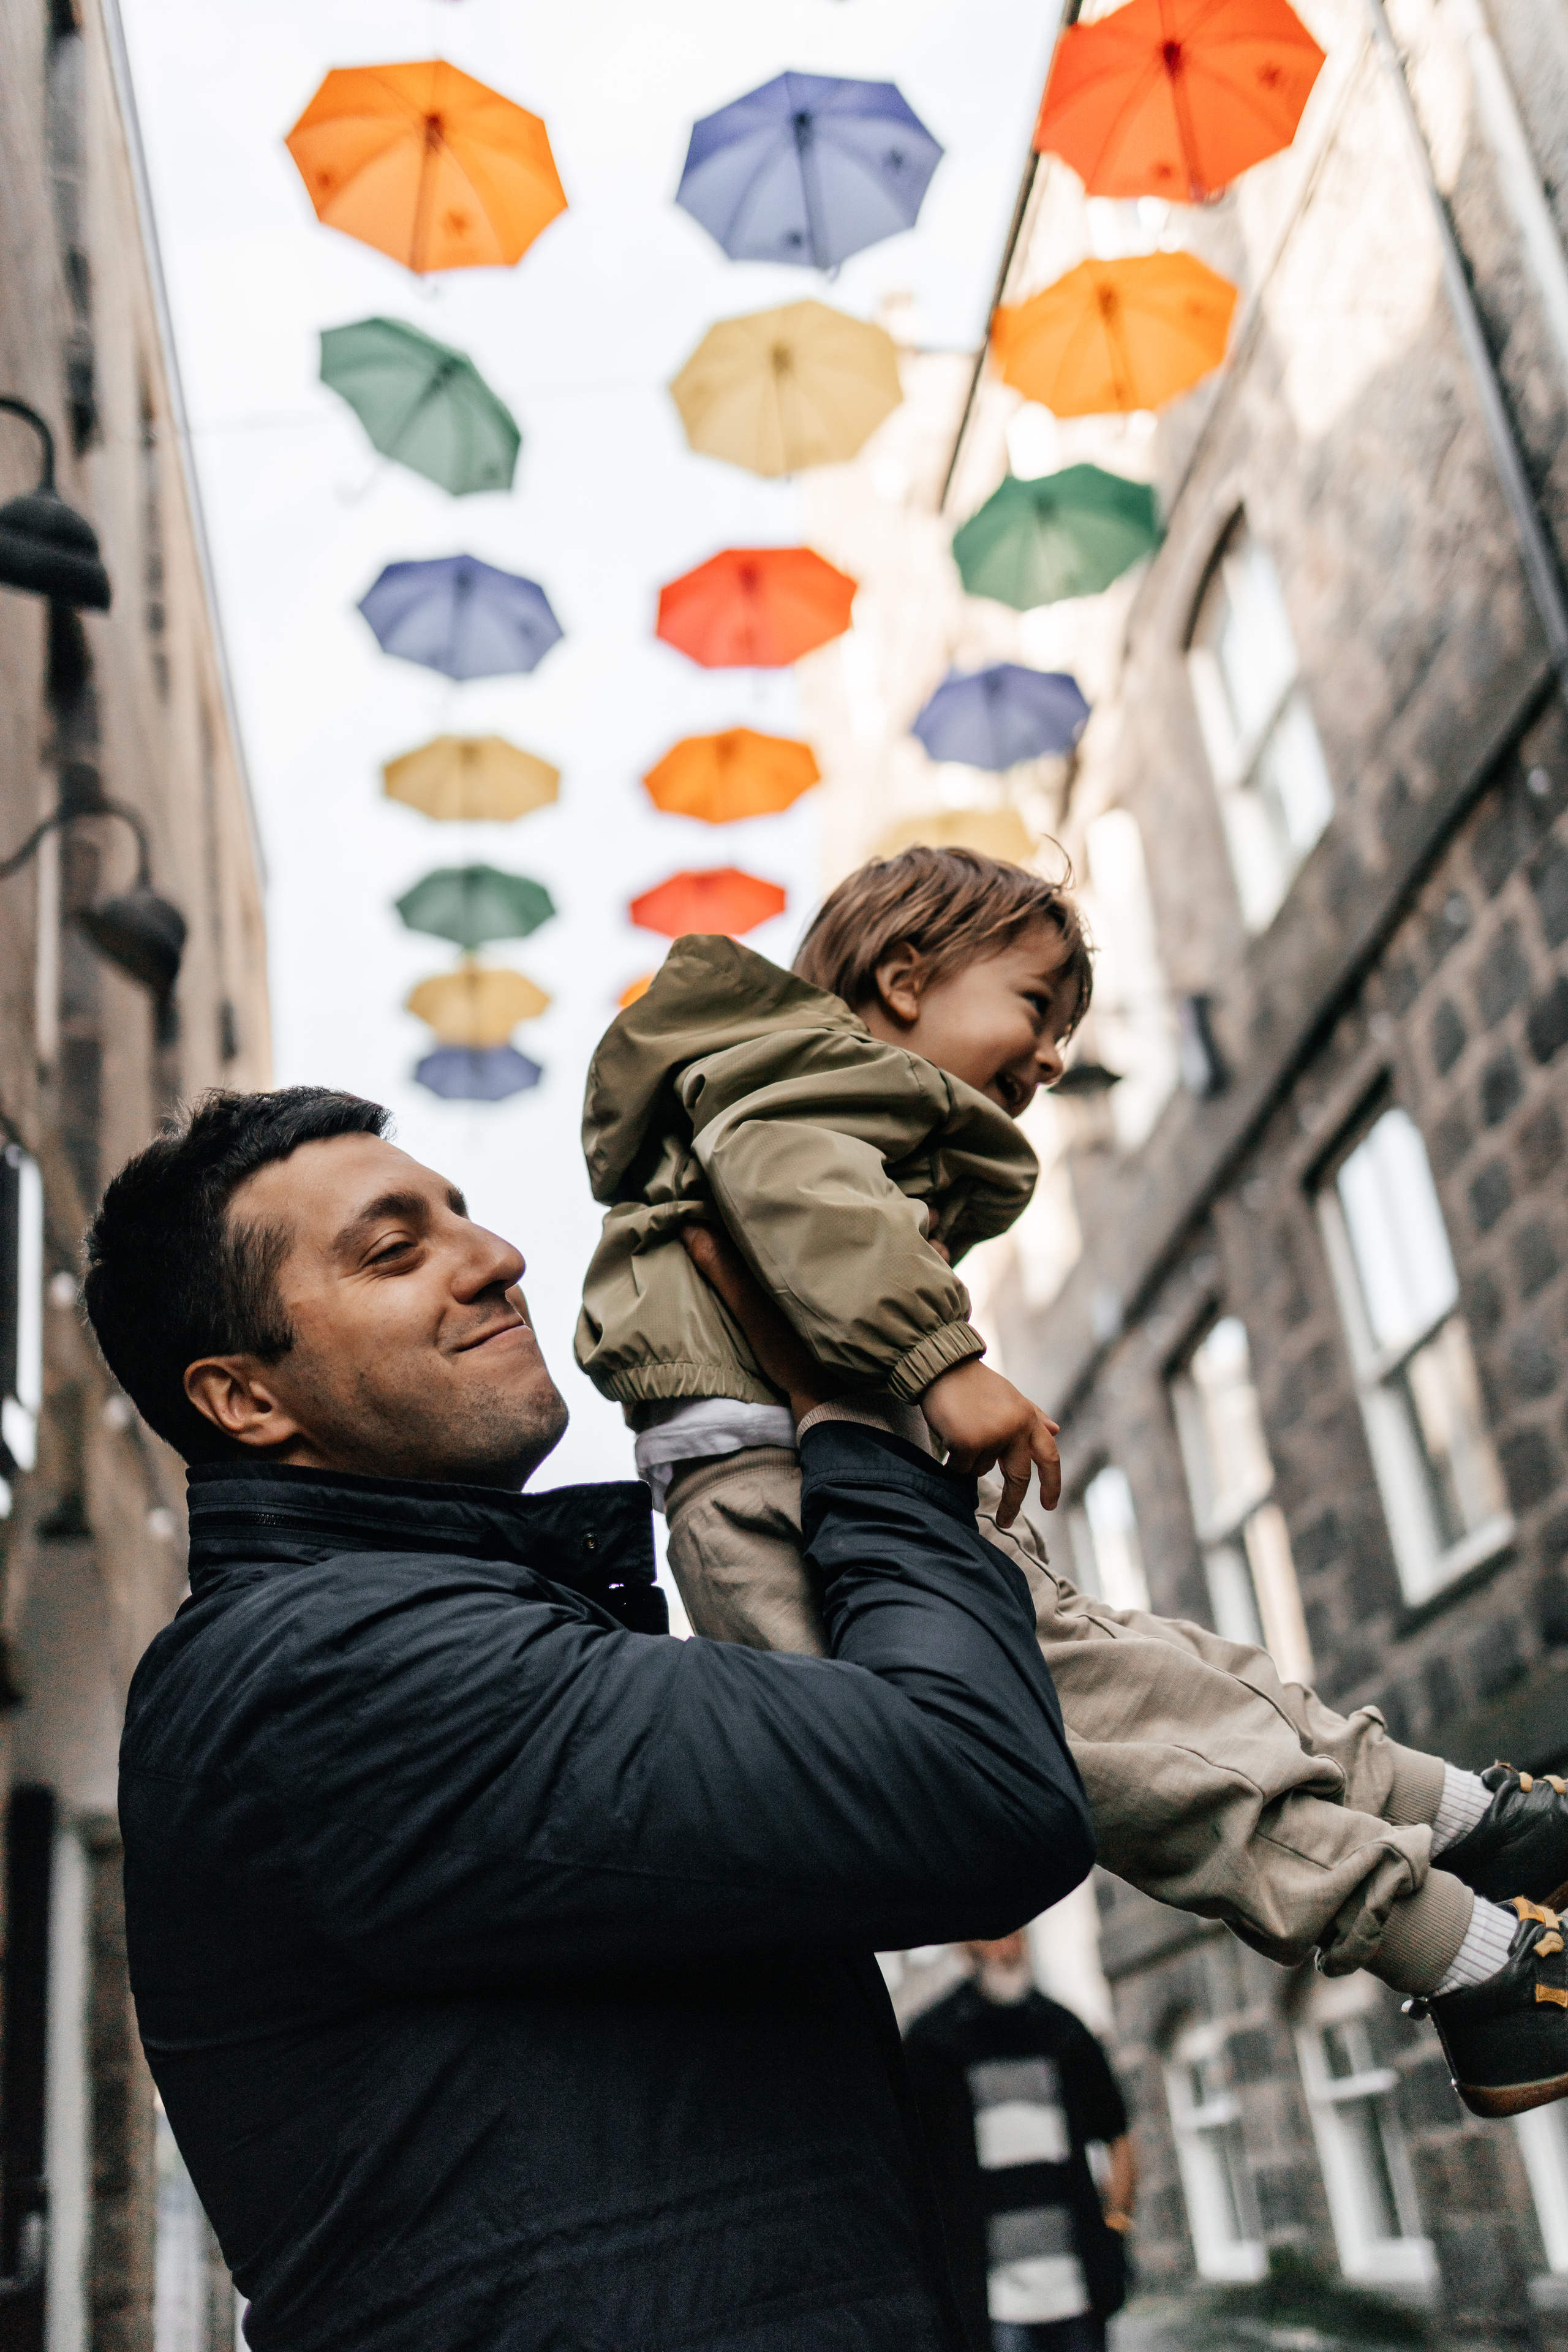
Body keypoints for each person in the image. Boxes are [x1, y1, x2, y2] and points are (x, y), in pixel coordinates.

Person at [86, 1087, 1096, 2352]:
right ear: (245, 1401)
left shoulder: (415, 1631)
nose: (495, 1257)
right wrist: (852, 1408)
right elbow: (975, 1785)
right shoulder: (335, 1674)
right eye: (395, 1250)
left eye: (461, 1215)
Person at [575, 843, 1568, 2119]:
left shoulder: (844, 1106)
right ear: (900, 977)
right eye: (1035, 1008)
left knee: (1167, 1675)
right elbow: (789, 1187)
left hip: (861, 1491)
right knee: (1080, 1750)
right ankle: (1469, 1949)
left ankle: (1473, 1822)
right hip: (772, 1503)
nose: (1050, 1056)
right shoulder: (794, 1086)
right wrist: (940, 1360)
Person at [903, 1932, 1134, 2352]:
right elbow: (912, 2175)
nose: (1006, 1949)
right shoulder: (929, 2045)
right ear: (964, 1946)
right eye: (991, 1936)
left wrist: (1115, 2230)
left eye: (1014, 1933)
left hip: (1078, 2296)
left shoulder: (1066, 2033)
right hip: (991, 2306)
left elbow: (1119, 2137)